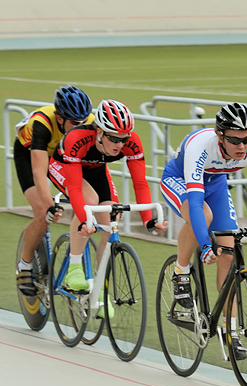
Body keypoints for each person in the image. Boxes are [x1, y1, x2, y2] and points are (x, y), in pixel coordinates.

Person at [159, 102, 247, 358]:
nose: (242, 146)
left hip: (216, 186)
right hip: (180, 182)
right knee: (204, 217)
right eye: (234, 140)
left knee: (229, 253)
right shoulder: (201, 145)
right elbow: (197, 203)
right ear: (219, 134)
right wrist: (206, 243)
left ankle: (229, 331)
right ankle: (181, 271)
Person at [48, 99, 167, 316]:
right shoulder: (77, 139)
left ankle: (99, 289)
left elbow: (140, 183)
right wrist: (85, 219)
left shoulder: (131, 143)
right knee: (90, 202)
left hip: (95, 169)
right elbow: (75, 188)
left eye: (124, 139)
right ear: (100, 132)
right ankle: (74, 268)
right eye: (114, 138)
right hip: (65, 167)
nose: (120, 144)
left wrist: (148, 220)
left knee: (112, 217)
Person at [14, 86, 93, 296]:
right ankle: (25, 264)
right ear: (60, 119)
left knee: (85, 200)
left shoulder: (87, 120)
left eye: (83, 122)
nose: (81, 126)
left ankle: (74, 262)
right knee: (42, 212)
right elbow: (39, 171)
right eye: (75, 123)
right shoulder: (42, 123)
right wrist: (50, 205)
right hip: (30, 154)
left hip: (61, 155)